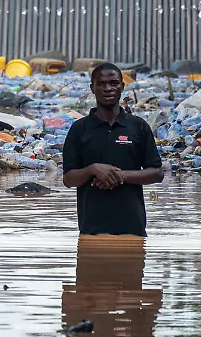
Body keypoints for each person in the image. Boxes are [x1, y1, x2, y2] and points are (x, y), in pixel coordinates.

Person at [62, 62, 165, 236]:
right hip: (91, 232)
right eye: (101, 84)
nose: (108, 88)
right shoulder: (79, 130)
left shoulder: (138, 127)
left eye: (114, 83)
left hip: (133, 230)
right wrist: (92, 170)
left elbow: (157, 173)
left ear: (122, 86)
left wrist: (120, 176)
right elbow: (68, 180)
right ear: (92, 88)